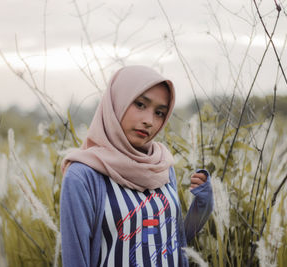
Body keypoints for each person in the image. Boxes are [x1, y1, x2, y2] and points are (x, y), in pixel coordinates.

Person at [60, 65, 213, 267]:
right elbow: (76, 259)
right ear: (117, 102)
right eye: (140, 105)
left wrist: (203, 205)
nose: (149, 121)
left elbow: (172, 240)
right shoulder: (83, 176)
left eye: (159, 112)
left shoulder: (161, 165)